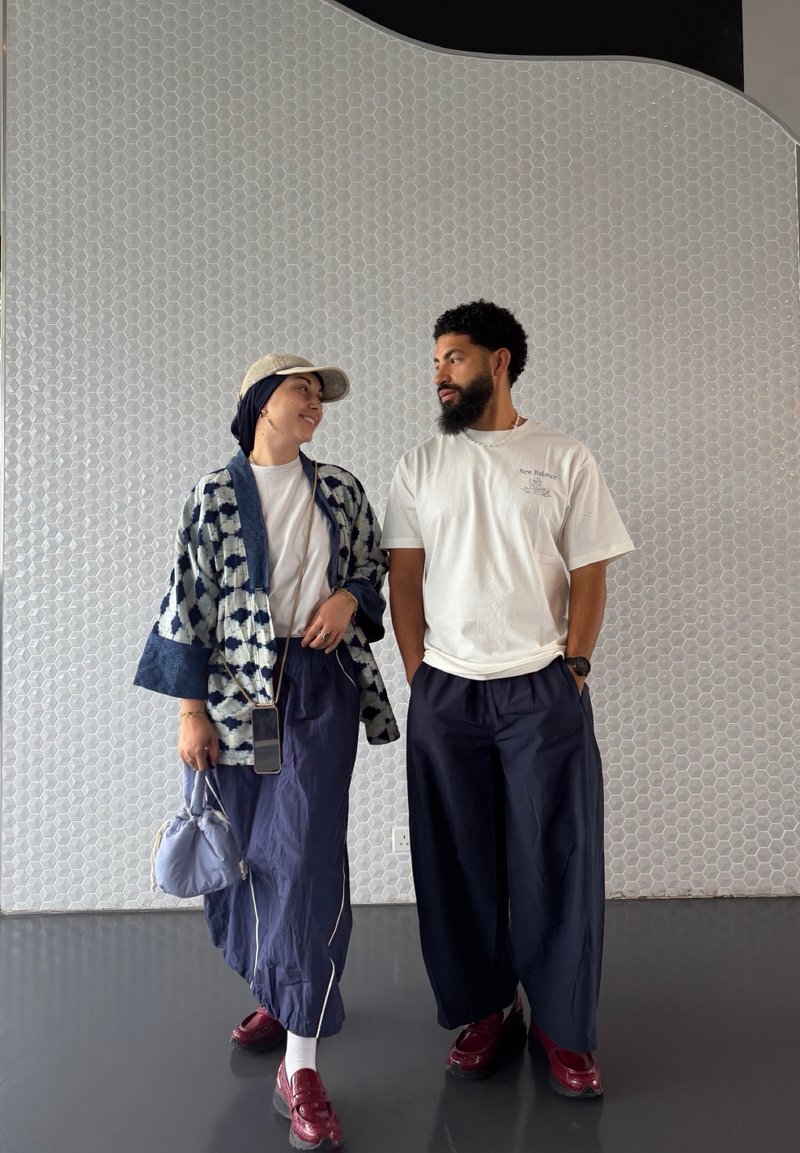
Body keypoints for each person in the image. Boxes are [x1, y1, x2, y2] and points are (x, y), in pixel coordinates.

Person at [135, 352, 398, 1151]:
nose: (316, 404)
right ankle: (278, 984)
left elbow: (371, 567)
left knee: (309, 853)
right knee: (247, 853)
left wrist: (350, 594)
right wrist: (188, 712)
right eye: (301, 391)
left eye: (321, 396)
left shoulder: (342, 488)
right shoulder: (214, 496)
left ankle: (302, 1061)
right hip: (232, 697)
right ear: (259, 402)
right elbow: (186, 600)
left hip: (320, 687)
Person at [382, 301, 634, 1098]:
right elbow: (404, 577)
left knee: (555, 855)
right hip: (447, 690)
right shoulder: (420, 464)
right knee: (455, 858)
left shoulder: (563, 457)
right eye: (433, 362)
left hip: (540, 686)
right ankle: (487, 1008)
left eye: (452, 358)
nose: (438, 375)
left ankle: (565, 1026)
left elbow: (591, 567)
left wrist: (576, 663)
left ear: (499, 362)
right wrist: (421, 674)